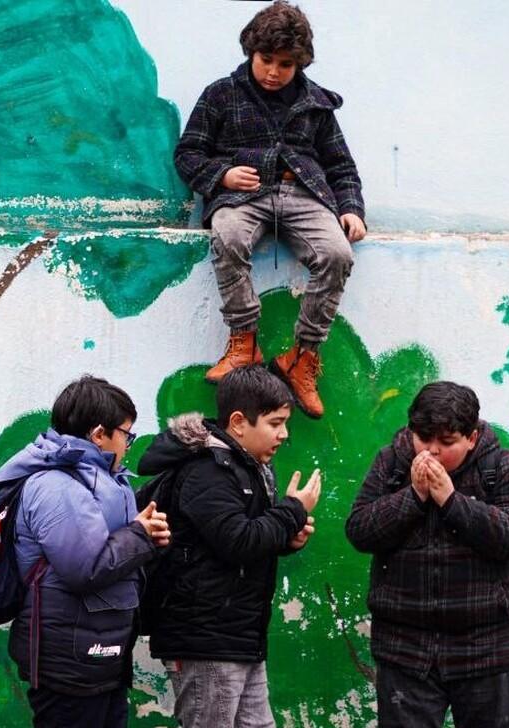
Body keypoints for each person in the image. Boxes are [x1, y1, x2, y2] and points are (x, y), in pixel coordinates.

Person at [136, 364, 321, 728]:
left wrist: (286, 537)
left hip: (239, 635)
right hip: (206, 638)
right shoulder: (205, 471)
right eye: (275, 423)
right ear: (239, 422)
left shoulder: (246, 467)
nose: (283, 435)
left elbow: (237, 545)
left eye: (285, 424)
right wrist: (293, 510)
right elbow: (236, 540)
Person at [345, 381, 509, 728]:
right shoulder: (392, 464)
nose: (429, 453)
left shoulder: (502, 467)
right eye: (422, 439)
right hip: (406, 645)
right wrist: (412, 497)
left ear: (471, 437)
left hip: (488, 643)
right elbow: (360, 530)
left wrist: (451, 500)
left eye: (445, 444)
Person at [0, 375, 170, 728]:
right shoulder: (55, 486)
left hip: (101, 652)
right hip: (66, 658)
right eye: (126, 432)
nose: (130, 442)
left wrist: (146, 538)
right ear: (98, 434)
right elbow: (85, 566)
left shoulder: (101, 482)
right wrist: (140, 536)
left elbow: (112, 552)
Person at [174, 1, 366, 419]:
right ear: (250, 52)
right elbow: (188, 153)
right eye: (266, 60)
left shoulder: (316, 103)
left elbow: (340, 164)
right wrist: (222, 175)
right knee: (228, 236)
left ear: (300, 63)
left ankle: (301, 357)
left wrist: (351, 209)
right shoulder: (221, 94)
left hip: (304, 196)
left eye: (285, 64)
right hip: (241, 197)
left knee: (337, 254)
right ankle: (244, 340)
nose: (274, 72)